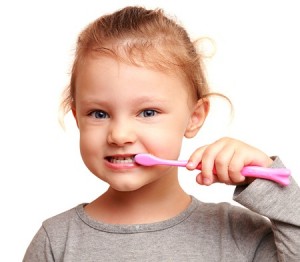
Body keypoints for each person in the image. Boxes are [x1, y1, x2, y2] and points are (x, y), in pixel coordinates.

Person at [23, 6, 300, 261]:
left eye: (148, 112)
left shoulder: (241, 234)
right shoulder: (56, 241)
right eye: (99, 114)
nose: (119, 135)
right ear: (77, 118)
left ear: (194, 118)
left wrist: (273, 188)